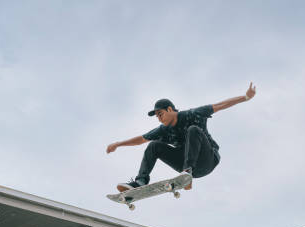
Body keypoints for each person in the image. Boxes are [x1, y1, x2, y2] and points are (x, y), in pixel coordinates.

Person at [106, 82, 257, 192]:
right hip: (185, 162)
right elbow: (141, 139)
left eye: (160, 114)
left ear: (170, 109)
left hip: (207, 160)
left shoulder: (192, 114)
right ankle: (140, 181)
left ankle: (187, 173)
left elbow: (219, 105)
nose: (159, 118)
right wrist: (118, 144)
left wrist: (245, 97)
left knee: (193, 130)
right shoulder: (163, 130)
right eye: (157, 116)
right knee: (153, 145)